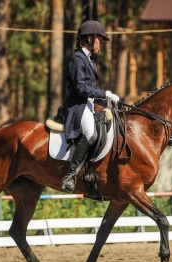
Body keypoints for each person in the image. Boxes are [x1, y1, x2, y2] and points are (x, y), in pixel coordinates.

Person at [61, 20, 120, 193]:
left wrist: (107, 102)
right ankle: (70, 175)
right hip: (77, 107)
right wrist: (105, 93)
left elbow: (91, 90)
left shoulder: (90, 62)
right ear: (89, 38)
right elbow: (81, 88)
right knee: (91, 135)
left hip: (88, 105)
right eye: (99, 40)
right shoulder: (77, 59)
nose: (101, 45)